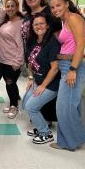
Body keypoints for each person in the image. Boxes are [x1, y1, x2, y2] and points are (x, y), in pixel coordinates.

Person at [49, 0, 85, 151]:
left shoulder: (74, 18)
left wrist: (73, 69)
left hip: (74, 67)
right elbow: (69, 44)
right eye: (52, 7)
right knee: (70, 105)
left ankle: (72, 141)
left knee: (63, 107)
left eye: (58, 5)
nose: (55, 9)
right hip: (66, 65)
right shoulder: (64, 21)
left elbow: (81, 45)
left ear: (67, 3)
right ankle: (70, 140)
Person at [21, 0, 62, 123]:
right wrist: (31, 76)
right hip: (33, 53)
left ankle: (46, 121)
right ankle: (38, 116)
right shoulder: (27, 15)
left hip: (47, 55)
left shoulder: (49, 12)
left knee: (45, 91)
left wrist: (52, 50)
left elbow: (57, 35)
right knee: (26, 103)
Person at [22, 12, 61, 144]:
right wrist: (31, 78)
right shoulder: (32, 41)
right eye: (36, 24)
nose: (39, 26)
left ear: (48, 25)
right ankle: (40, 127)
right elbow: (30, 62)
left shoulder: (52, 43)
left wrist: (43, 86)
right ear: (32, 26)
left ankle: (45, 133)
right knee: (25, 103)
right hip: (38, 81)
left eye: (42, 23)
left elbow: (55, 68)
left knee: (31, 107)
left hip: (50, 84)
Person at [0, 0, 24, 119]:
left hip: (12, 60)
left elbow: (20, 44)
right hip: (2, 59)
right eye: (7, 6)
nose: (10, 8)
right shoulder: (6, 22)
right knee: (9, 83)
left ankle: (14, 106)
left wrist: (18, 61)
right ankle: (12, 103)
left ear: (17, 7)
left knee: (10, 83)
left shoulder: (20, 23)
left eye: (12, 6)